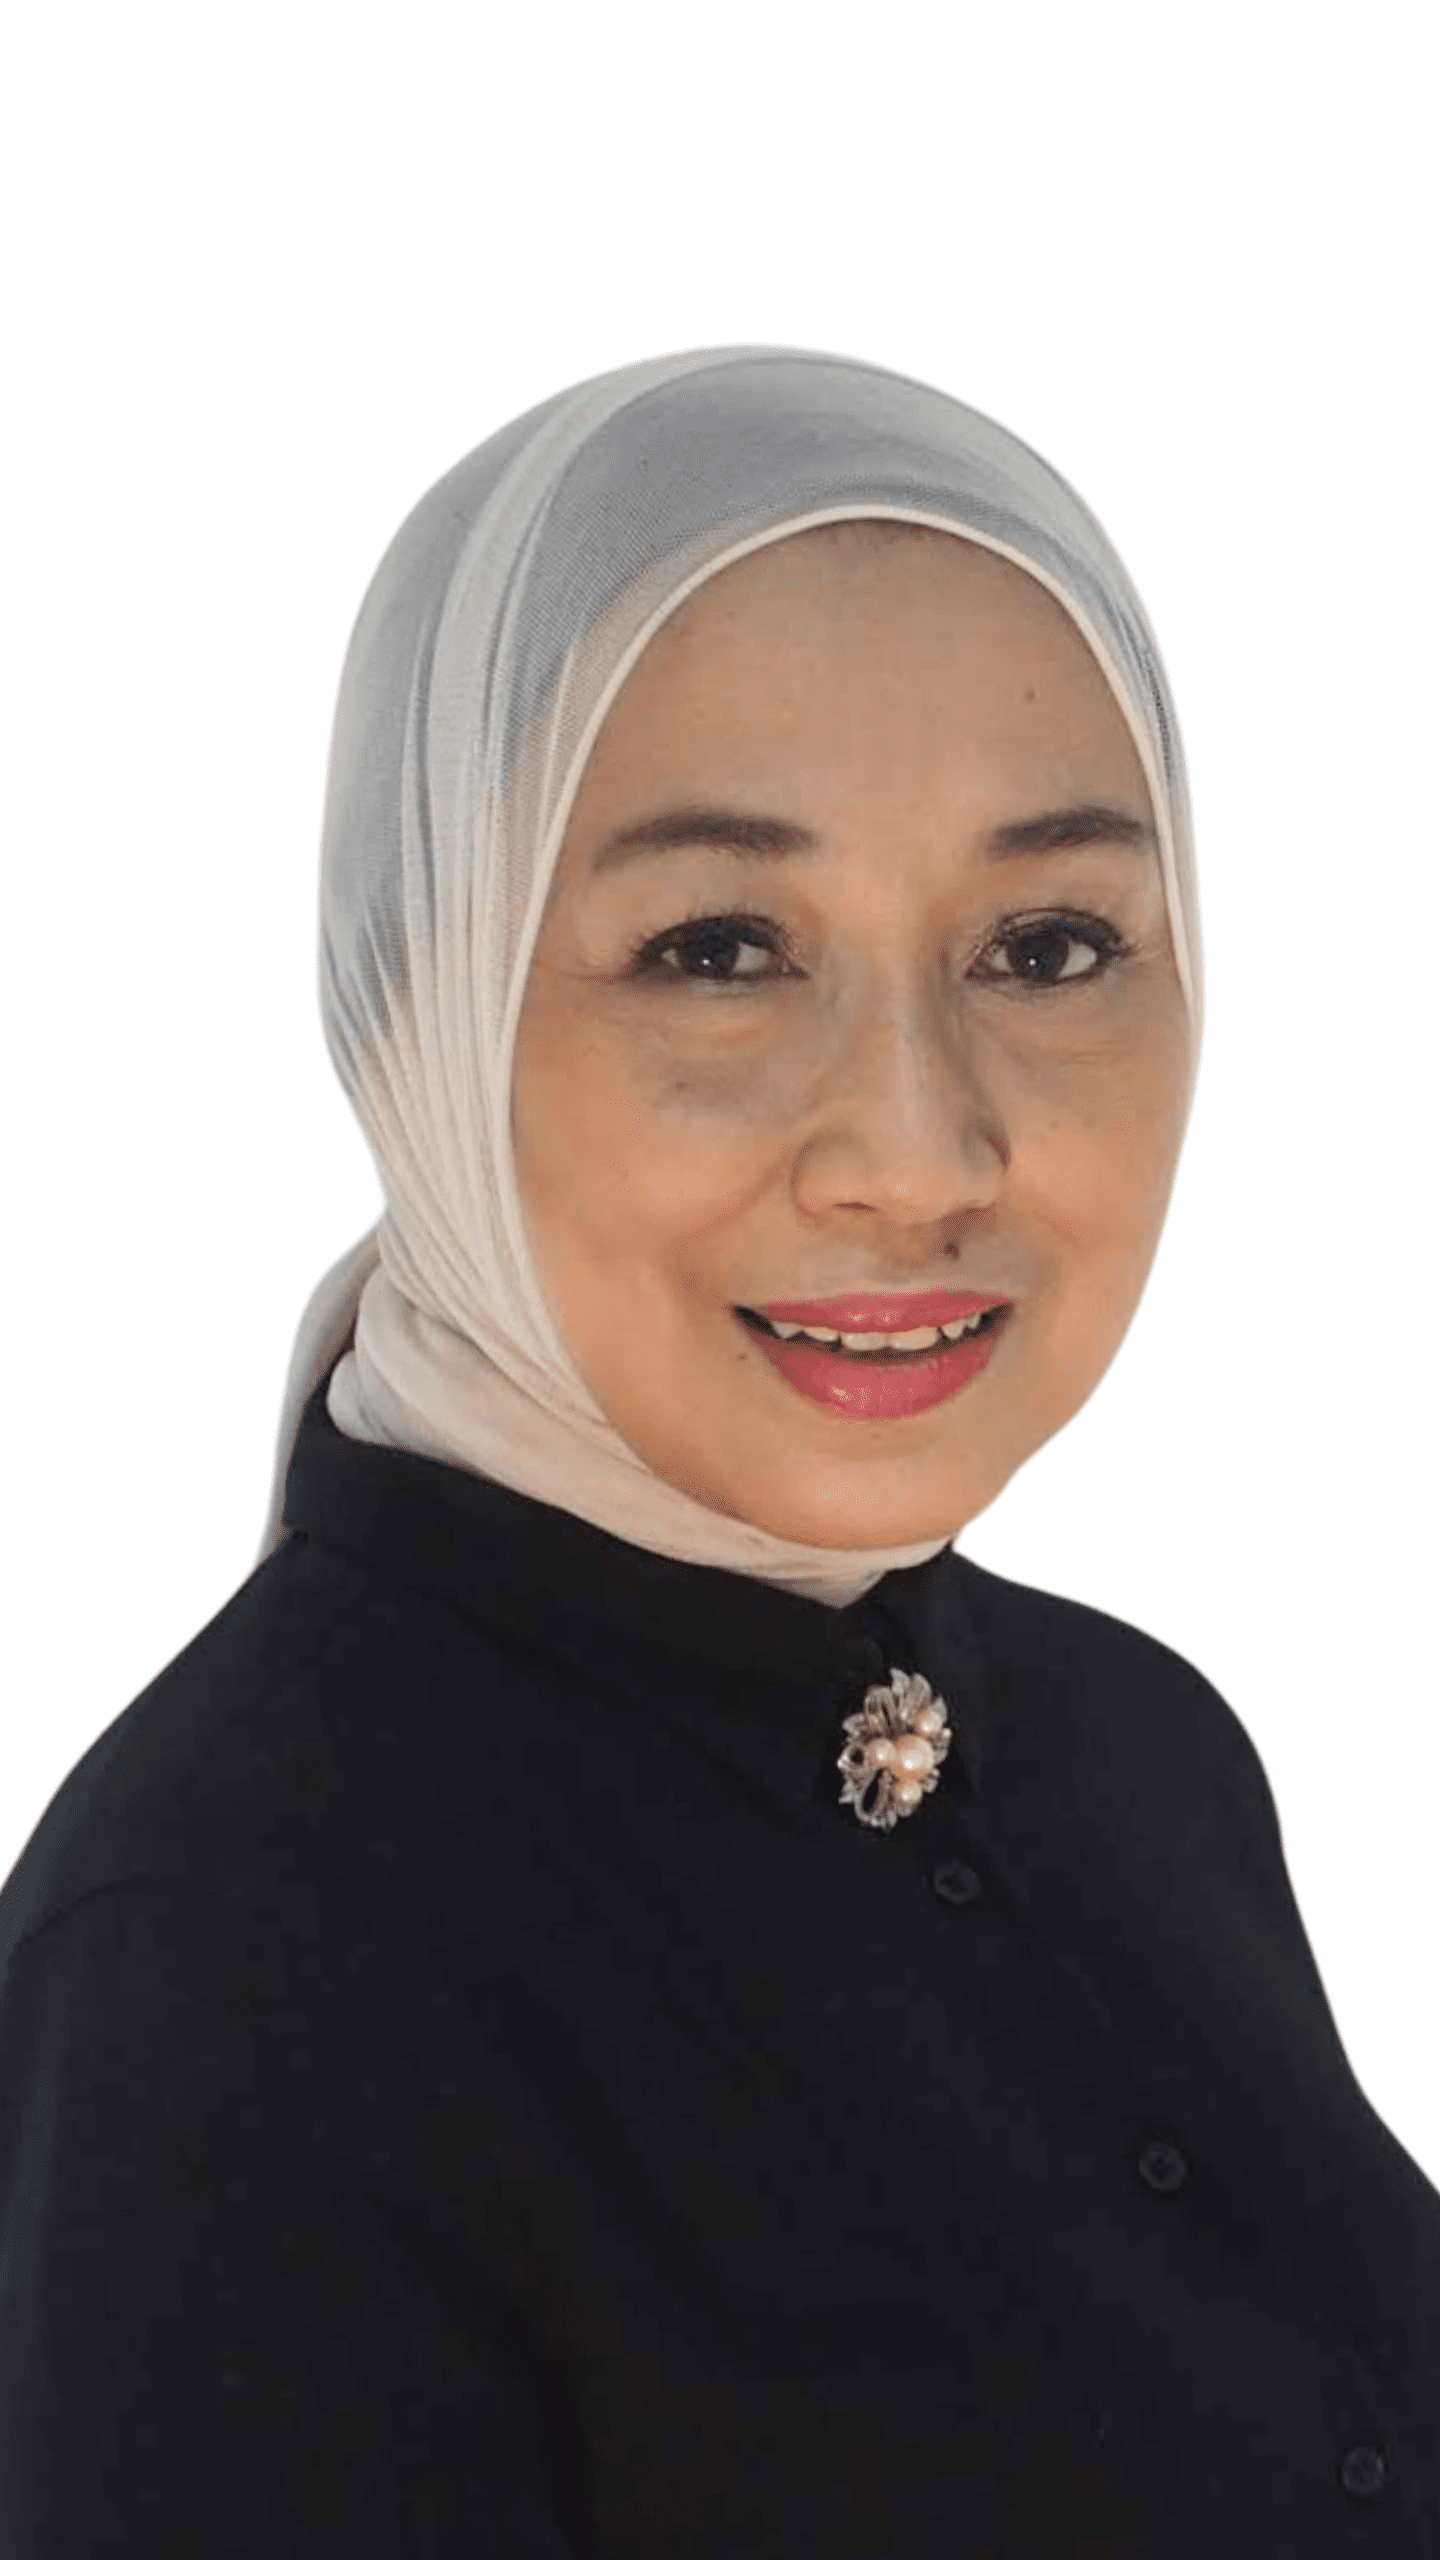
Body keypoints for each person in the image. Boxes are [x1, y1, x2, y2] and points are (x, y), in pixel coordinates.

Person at [1, 346, 1436, 2555]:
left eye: (1048, 943)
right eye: (720, 948)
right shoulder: (231, 1968)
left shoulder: (1136, 1748)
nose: (918, 1152)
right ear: (424, 1002)